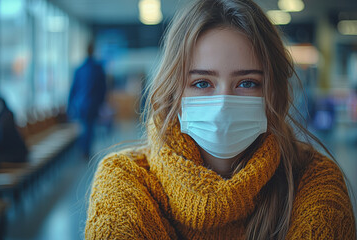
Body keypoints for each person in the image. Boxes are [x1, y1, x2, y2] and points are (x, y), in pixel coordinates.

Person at [85, 0, 356, 239]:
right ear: (174, 91)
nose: (223, 103)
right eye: (202, 83)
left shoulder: (313, 180)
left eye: (247, 83)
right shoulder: (124, 179)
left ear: (273, 92)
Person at [68, 43, 106, 159]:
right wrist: (101, 102)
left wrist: (70, 105)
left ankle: (84, 149)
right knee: (89, 128)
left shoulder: (80, 69)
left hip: (80, 104)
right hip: (93, 104)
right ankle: (86, 150)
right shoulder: (98, 68)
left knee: (84, 127)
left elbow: (73, 88)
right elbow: (103, 88)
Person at [0, 95, 28, 167]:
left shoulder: (6, 119)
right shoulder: (6, 115)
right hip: (17, 154)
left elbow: (0, 140)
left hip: (16, 156)